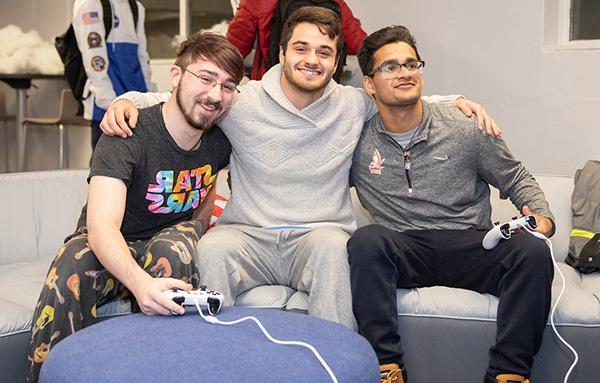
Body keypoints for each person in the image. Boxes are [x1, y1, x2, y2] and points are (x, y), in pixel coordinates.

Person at [98, 7, 498, 331]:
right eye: (301, 49)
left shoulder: (352, 105)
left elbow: (400, 97)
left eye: (324, 52)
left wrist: (458, 100)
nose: (312, 60)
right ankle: (215, 363)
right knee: (213, 248)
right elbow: (175, 95)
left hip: (318, 235)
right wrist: (125, 101)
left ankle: (334, 367)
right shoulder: (241, 100)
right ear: (282, 53)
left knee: (334, 248)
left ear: (337, 60)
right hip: (247, 236)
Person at [26, 32, 243, 383]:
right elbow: (102, 228)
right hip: (112, 240)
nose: (216, 95)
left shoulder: (219, 141)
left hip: (164, 240)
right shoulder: (126, 132)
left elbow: (204, 197)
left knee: (176, 249)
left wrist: (197, 226)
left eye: (228, 86)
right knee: (71, 263)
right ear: (176, 76)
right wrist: (140, 285)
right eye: (206, 78)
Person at [348, 25, 554, 383]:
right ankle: (385, 368)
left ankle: (509, 373)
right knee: (366, 241)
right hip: (405, 247)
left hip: (471, 243)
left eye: (412, 64)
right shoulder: (354, 138)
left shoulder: (464, 127)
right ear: (369, 84)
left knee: (531, 252)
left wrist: (542, 217)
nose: (405, 73)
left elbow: (516, 177)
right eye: (391, 67)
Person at [73, 0, 157, 149]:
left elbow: (143, 57)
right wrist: (109, 101)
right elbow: (93, 57)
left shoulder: (136, 7)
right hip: (106, 107)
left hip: (138, 107)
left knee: (141, 167)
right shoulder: (90, 4)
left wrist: (150, 99)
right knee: (106, 167)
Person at [227, 0, 366, 80]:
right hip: (320, 90)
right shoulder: (335, 2)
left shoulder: (258, 2)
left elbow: (233, 51)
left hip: (272, 84)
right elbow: (360, 45)